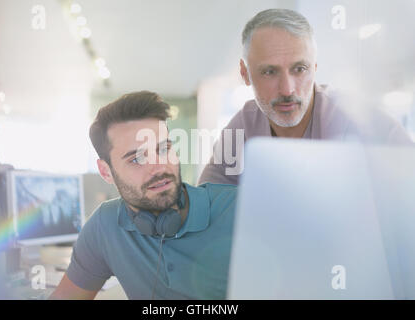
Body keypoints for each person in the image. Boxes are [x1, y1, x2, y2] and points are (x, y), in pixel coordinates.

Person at [50, 91, 237, 300]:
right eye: (137, 159)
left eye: (164, 149)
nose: (159, 167)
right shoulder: (105, 225)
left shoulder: (237, 208)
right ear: (106, 172)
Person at [198, 8, 413, 185]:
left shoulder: (358, 120)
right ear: (245, 74)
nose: (287, 90)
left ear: (315, 68)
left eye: (299, 69)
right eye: (270, 72)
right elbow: (206, 206)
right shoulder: (242, 128)